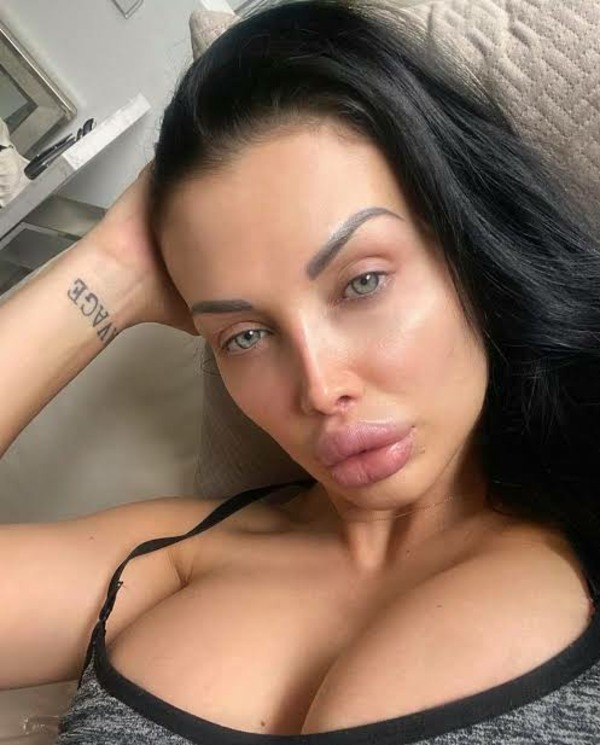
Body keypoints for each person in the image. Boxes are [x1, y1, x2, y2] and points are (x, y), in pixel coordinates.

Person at [1, 0, 599, 741]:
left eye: (363, 282)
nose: (318, 388)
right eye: (246, 335)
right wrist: (110, 269)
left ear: (469, 250)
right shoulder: (177, 555)